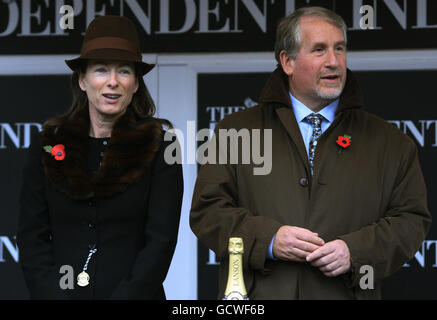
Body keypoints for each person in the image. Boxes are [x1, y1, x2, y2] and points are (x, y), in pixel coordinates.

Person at [190, 6, 431, 299]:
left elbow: (411, 220)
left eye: (339, 49)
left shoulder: (390, 142)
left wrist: (354, 252)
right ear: (287, 62)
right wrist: (268, 240)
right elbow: (208, 212)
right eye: (319, 50)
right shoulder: (236, 130)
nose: (334, 61)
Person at [17, 15, 183, 299]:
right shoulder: (48, 144)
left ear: (135, 84)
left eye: (124, 71)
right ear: (82, 80)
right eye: (101, 70)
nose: (113, 82)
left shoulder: (161, 147)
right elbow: (32, 239)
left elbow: (160, 243)